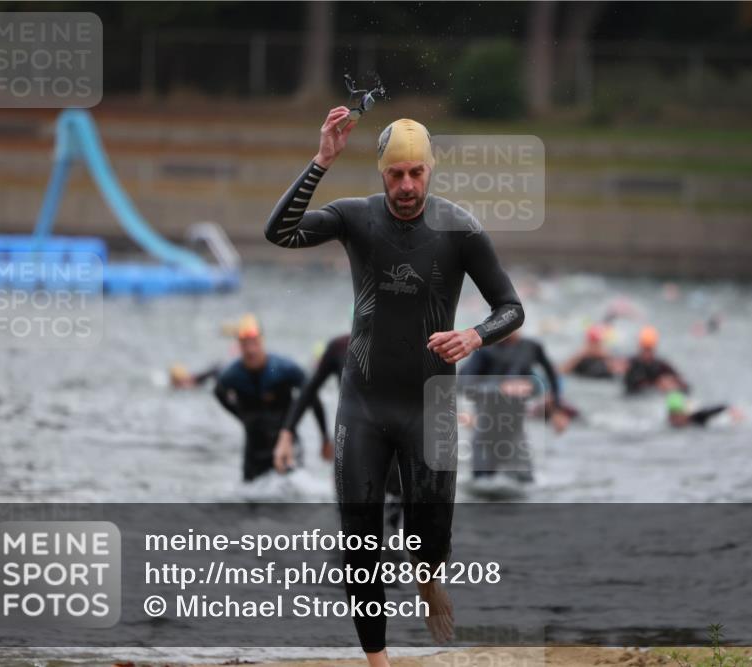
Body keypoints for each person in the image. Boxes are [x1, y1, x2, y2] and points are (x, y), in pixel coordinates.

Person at [264, 110, 524, 664]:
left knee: (430, 541)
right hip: (363, 403)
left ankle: (428, 578)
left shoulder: (461, 229)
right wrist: (321, 162)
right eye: (395, 175)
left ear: (430, 171)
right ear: (382, 175)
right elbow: (279, 232)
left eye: (416, 173)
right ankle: (378, 662)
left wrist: (475, 336)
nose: (406, 186)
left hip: (431, 408)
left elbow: (511, 307)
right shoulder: (356, 218)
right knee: (359, 540)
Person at [280, 333, 403, 531]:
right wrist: (286, 434)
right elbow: (309, 390)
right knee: (349, 528)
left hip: (392, 450)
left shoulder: (402, 345)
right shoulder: (339, 347)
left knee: (391, 527)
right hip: (351, 449)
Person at [213, 315, 328, 481]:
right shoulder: (232, 374)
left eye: (254, 343)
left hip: (286, 444)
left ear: (262, 341)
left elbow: (311, 396)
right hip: (255, 450)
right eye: (245, 345)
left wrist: (324, 436)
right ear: (239, 346)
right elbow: (218, 392)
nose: (251, 350)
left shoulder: (284, 369)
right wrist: (241, 415)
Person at [459, 329, 572, 482]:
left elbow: (552, 376)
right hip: (487, 426)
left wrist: (557, 410)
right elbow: (463, 382)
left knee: (525, 482)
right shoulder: (485, 350)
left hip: (515, 426)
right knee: (482, 483)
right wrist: (501, 387)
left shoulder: (531, 347)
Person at [623, 325, 689, 395]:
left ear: (654, 349)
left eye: (649, 349)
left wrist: (671, 384)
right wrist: (656, 384)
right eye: (644, 349)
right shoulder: (631, 364)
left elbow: (685, 387)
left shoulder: (662, 366)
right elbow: (628, 385)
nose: (647, 353)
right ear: (640, 348)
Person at [560, 323, 625, 379]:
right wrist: (579, 355)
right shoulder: (580, 358)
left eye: (597, 343)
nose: (594, 346)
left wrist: (607, 358)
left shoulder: (609, 358)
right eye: (592, 343)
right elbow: (561, 371)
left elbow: (620, 372)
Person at [665, 391, 742, 428]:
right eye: (673, 416)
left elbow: (722, 407)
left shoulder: (699, 416)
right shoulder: (670, 423)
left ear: (685, 414)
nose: (676, 420)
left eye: (678, 415)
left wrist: (734, 411)